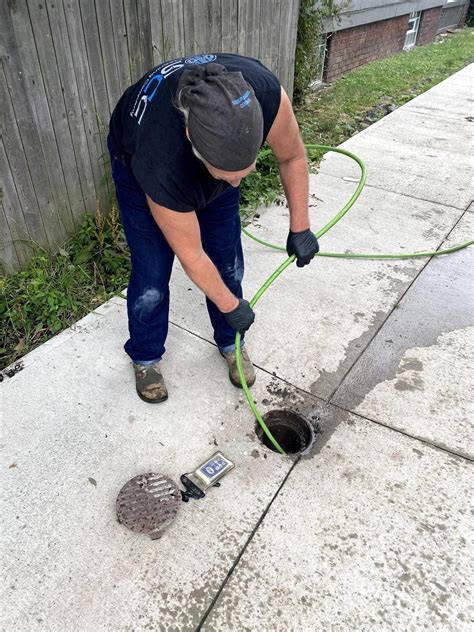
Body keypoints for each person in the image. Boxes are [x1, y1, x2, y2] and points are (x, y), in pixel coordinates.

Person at [108, 53, 319, 404]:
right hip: (136, 158)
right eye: (227, 174)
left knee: (227, 259)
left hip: (201, 156)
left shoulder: (265, 96)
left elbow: (292, 156)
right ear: (192, 138)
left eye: (246, 170)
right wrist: (231, 304)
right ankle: (146, 356)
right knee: (152, 273)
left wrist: (301, 227)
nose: (237, 184)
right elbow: (191, 255)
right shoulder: (161, 162)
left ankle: (230, 343)